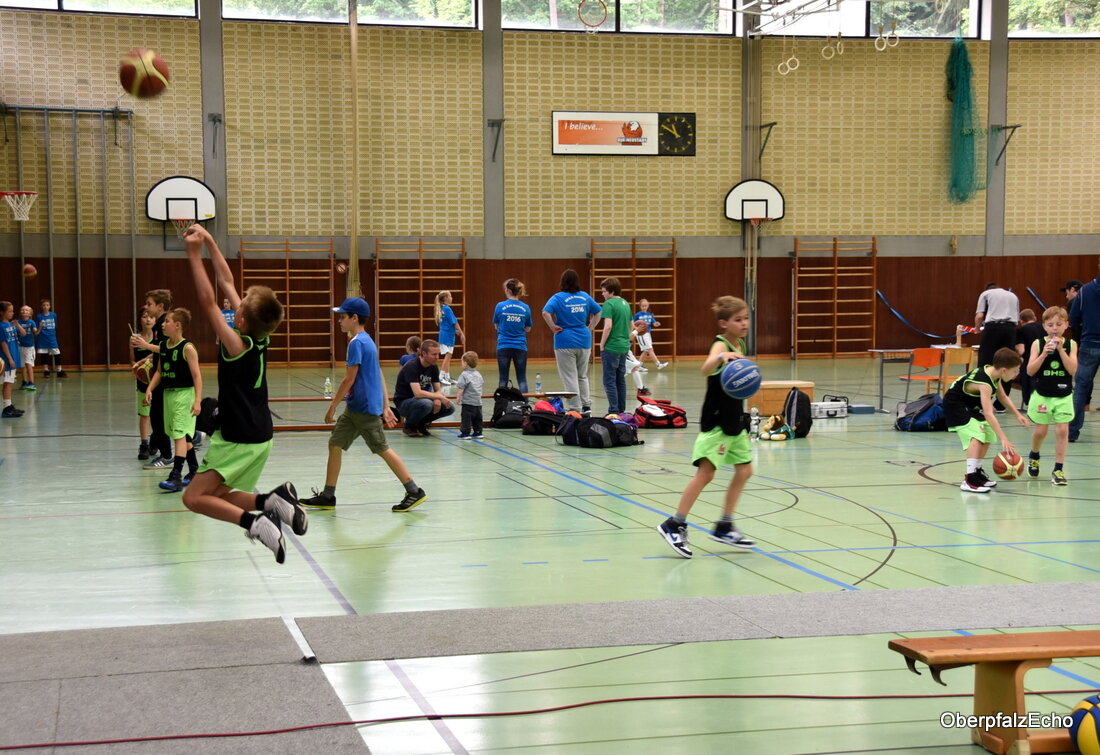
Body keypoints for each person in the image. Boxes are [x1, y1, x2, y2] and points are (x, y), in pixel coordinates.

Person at [179, 225, 306, 564]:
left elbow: (208, 302)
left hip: (237, 438)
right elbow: (227, 283)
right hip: (261, 434)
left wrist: (193, 254)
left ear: (243, 319)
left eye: (241, 306)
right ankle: (271, 502)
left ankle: (256, 522)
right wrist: (209, 242)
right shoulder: (257, 336)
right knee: (219, 494)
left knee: (192, 498)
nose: (237, 303)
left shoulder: (236, 344)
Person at [299, 297, 427, 513]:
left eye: (342, 317)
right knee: (335, 444)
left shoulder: (357, 343)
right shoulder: (367, 340)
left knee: (382, 449)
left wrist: (332, 406)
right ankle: (328, 496)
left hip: (364, 409)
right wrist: (386, 405)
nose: (339, 321)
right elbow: (376, 373)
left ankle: (414, 491)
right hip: (355, 407)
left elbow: (349, 378)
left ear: (354, 318)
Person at [656, 296, 756, 558]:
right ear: (724, 323)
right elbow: (705, 368)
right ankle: (674, 523)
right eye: (738, 319)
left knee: (744, 471)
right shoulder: (720, 344)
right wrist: (722, 356)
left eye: (746, 318)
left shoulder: (740, 343)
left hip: (735, 421)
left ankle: (724, 524)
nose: (744, 323)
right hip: (717, 422)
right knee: (706, 474)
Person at [943, 347, 1029, 493]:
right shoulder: (985, 383)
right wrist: (1004, 439)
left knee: (988, 434)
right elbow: (989, 414)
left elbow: (1002, 397)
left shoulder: (993, 373)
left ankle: (976, 472)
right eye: (1015, 371)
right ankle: (969, 479)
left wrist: (1017, 414)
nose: (1016, 374)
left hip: (970, 406)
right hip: (955, 404)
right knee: (976, 435)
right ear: (1004, 370)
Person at [144, 308, 203, 493]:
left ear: (177, 325)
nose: (163, 324)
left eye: (167, 321)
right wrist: (149, 388)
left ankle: (175, 475)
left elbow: (197, 376)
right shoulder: (164, 346)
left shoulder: (188, 348)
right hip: (168, 395)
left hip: (184, 395)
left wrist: (198, 400)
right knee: (183, 435)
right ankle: (194, 470)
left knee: (178, 435)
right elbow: (160, 372)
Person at [1024, 306, 1076, 485]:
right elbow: (1030, 371)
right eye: (1051, 324)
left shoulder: (1071, 344)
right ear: (1044, 326)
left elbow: (1072, 369)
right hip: (1042, 394)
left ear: (1066, 325)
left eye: (1059, 324)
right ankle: (1034, 454)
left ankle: (1058, 469)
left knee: (1062, 430)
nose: (1055, 328)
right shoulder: (1038, 344)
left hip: (1063, 394)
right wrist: (1044, 353)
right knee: (1041, 431)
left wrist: (1061, 351)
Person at [542, 269, 601, 415]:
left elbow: (545, 312)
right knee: (582, 375)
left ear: (562, 282)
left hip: (564, 341)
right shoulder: (585, 297)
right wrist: (590, 327)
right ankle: (586, 406)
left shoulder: (558, 297)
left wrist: (552, 327)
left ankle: (575, 408)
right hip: (584, 340)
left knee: (570, 376)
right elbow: (598, 311)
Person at [131, 289, 174, 470]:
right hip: (159, 374)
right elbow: (157, 350)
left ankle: (166, 456)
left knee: (158, 417)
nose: (146, 308)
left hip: (167, 376)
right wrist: (144, 359)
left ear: (160, 306)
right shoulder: (159, 325)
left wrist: (145, 346)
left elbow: (167, 350)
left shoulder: (165, 325)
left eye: (149, 304)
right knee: (157, 416)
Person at [392, 338, 455, 436]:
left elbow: (437, 389)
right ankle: (409, 426)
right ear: (424, 353)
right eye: (434, 354)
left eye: (438, 354)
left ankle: (421, 423)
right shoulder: (412, 366)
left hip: (423, 400)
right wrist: (438, 397)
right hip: (404, 402)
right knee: (427, 404)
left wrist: (438, 399)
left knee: (449, 407)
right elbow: (418, 393)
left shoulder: (433, 366)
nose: (437, 357)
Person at [975, 283, 1020, 412]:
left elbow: (979, 316)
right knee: (1008, 363)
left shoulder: (986, 294)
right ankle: (1001, 405)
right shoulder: (1013, 295)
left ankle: (984, 402)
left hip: (992, 329)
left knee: (985, 364)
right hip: (1010, 330)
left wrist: (978, 328)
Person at [1069, 258, 1100, 442]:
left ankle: (1072, 432)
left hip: (1089, 343)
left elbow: (1074, 317)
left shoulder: (1085, 291)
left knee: (1080, 388)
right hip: (1089, 342)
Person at [598, 277, 632, 415]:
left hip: (612, 347)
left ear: (611, 291)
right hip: (624, 347)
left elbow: (608, 326)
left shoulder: (609, 304)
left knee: (609, 380)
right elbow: (631, 326)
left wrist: (601, 344)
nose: (602, 294)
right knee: (620, 379)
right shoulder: (625, 303)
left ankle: (613, 410)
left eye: (604, 291)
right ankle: (621, 410)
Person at [492, 278, 532, 392]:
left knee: (503, 379)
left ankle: (502, 405)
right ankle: (525, 406)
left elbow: (496, 326)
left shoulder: (499, 306)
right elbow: (528, 328)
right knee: (522, 379)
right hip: (520, 346)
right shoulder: (525, 307)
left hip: (503, 346)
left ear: (508, 290)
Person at [133, 310, 157, 460]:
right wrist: (136, 368)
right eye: (144, 316)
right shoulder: (134, 339)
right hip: (143, 381)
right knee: (145, 414)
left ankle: (156, 440)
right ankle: (144, 444)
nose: (148, 319)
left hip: (158, 380)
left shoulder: (159, 337)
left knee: (158, 414)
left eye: (151, 317)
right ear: (140, 320)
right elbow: (132, 360)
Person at [1014, 309, 1044, 410]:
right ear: (1034, 318)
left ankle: (1030, 403)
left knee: (1028, 381)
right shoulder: (1044, 327)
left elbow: (1021, 350)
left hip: (1028, 360)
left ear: (1021, 321)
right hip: (1043, 359)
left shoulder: (1021, 330)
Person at [0, 302, 25, 418]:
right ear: (2, 313)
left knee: (9, 382)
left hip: (14, 355)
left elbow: (23, 334)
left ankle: (8, 406)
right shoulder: (1, 326)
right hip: (7, 358)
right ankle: (6, 408)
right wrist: (9, 358)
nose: (12, 313)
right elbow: (3, 343)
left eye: (12, 311)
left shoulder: (10, 324)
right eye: (9, 311)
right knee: (7, 383)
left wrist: (17, 325)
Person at [434, 290, 464, 385]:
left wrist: (455, 332)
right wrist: (461, 333)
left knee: (449, 356)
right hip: (446, 336)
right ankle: (441, 376)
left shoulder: (442, 308)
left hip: (447, 335)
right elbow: (454, 322)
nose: (452, 298)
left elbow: (446, 324)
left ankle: (447, 376)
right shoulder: (447, 308)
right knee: (448, 355)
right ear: (446, 298)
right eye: (450, 296)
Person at [455, 350, 485, 440]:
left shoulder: (464, 375)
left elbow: (461, 387)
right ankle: (478, 431)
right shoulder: (478, 374)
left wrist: (458, 397)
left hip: (468, 402)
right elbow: (481, 384)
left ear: (466, 363)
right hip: (478, 402)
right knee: (478, 418)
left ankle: (465, 433)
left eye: (462, 362)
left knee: (466, 418)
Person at [633, 298, 668, 369]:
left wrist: (657, 323)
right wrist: (636, 329)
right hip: (641, 334)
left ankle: (639, 366)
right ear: (640, 306)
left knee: (646, 351)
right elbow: (633, 324)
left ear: (648, 306)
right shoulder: (637, 315)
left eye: (645, 306)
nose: (644, 307)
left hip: (648, 334)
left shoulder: (650, 314)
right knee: (650, 349)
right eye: (642, 306)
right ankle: (658, 364)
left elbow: (654, 323)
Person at [35, 298, 65, 378]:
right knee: (44, 354)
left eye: (47, 305)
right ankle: (46, 371)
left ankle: (59, 370)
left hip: (52, 337)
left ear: (50, 306)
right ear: (41, 307)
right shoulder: (39, 316)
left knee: (57, 353)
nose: (45, 307)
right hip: (42, 338)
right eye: (44, 305)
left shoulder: (53, 315)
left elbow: (56, 326)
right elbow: (37, 328)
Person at [627, 322, 651, 397]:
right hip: (622, 349)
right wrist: (637, 330)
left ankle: (640, 389)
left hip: (625, 349)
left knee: (634, 368)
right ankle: (612, 385)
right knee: (628, 369)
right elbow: (628, 338)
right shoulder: (623, 325)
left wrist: (636, 330)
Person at [16, 305, 36, 391]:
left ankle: (32, 383)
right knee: (22, 365)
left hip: (29, 347)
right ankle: (24, 382)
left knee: (28, 365)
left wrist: (39, 328)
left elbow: (35, 332)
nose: (24, 311)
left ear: (30, 314)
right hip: (20, 346)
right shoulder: (17, 322)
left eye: (26, 310)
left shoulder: (32, 322)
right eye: (22, 310)